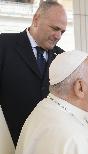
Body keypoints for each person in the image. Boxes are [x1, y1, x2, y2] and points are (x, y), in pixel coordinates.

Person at [0, 1, 67, 145]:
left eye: (62, 31)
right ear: (36, 20)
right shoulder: (4, 45)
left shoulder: (62, 57)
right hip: (9, 143)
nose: (58, 36)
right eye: (55, 28)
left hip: (48, 143)